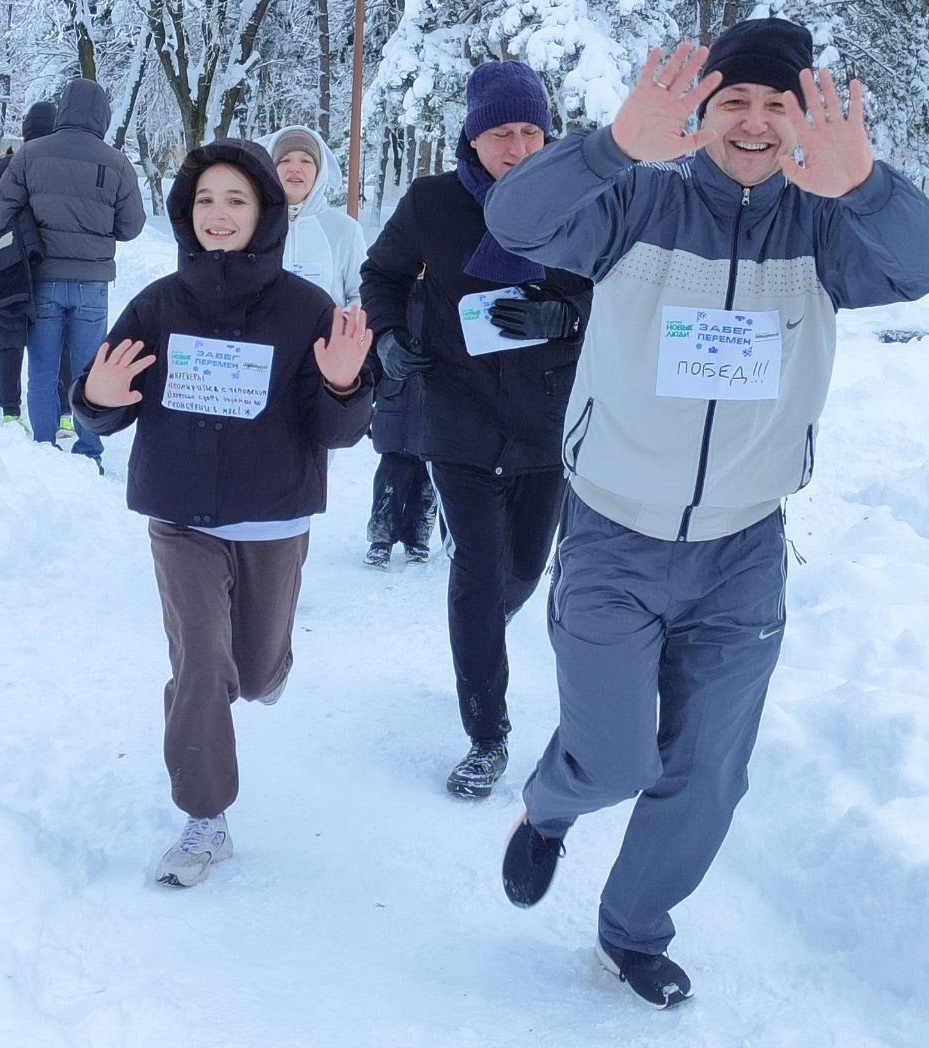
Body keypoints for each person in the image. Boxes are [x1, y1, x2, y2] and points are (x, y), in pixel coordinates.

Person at [484, 19, 929, 1008]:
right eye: (735, 99)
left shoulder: (823, 227)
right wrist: (610, 146)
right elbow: (516, 219)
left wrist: (863, 185)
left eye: (779, 103)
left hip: (743, 548)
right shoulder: (635, 200)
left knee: (707, 771)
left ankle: (632, 929)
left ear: (804, 120)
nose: (756, 121)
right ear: (700, 111)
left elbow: (920, 261)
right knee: (610, 757)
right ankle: (551, 808)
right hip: (613, 530)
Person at [70, 138, 373, 887]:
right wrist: (94, 401)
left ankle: (267, 664)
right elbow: (106, 394)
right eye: (204, 199)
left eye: (235, 199)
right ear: (186, 211)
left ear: (266, 209)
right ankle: (205, 815)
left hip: (271, 518)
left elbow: (336, 431)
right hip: (181, 516)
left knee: (256, 667)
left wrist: (342, 388)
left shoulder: (308, 308)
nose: (217, 213)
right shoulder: (159, 304)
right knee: (201, 661)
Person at [361, 61, 592, 799]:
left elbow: (615, 288)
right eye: (501, 132)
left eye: (530, 131)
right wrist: (391, 336)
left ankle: (481, 634)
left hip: (547, 425)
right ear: (473, 133)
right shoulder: (433, 201)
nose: (518, 146)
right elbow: (383, 275)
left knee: (520, 572)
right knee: (480, 574)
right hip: (457, 420)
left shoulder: (576, 201)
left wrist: (566, 315)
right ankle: (486, 734)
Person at [0, 79, 145, 469]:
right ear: (102, 116)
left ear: (63, 109)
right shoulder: (116, 162)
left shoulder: (30, 154)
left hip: (41, 280)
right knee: (89, 371)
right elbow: (131, 226)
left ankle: (45, 451)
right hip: (92, 284)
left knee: (42, 368)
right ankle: (90, 451)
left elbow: (2, 214)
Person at [0, 105, 74, 431]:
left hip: (11, 260)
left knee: (10, 332)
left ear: (26, 129)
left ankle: (10, 413)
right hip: (56, 261)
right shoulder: (67, 165)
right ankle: (64, 415)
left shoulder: (13, 163)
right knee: (59, 338)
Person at [364, 278, 437, 568]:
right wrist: (365, 400)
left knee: (427, 478)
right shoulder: (391, 299)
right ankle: (381, 539)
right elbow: (371, 354)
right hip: (394, 398)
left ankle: (418, 539)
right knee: (391, 475)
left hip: (435, 404)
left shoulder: (448, 294)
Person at [256, 124, 366, 307]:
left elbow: (362, 295)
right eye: (284, 160)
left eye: (306, 161)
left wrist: (339, 328)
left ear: (319, 170)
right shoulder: (252, 225)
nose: (295, 169)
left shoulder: (345, 229)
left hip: (327, 335)